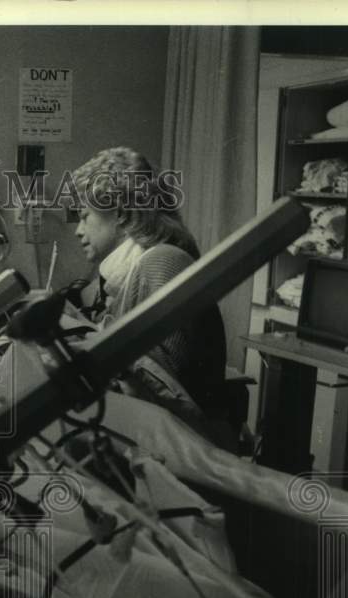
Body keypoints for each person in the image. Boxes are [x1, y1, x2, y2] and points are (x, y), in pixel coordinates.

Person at [67, 146, 228, 432]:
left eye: (83, 216)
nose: (78, 230)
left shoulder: (162, 262)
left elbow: (164, 384)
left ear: (119, 212)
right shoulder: (129, 272)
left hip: (181, 443)